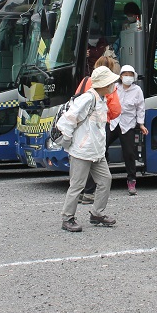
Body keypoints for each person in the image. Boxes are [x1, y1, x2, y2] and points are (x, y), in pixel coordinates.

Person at [57, 65, 120, 232]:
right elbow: (67, 120)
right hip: (83, 151)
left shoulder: (100, 98)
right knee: (77, 185)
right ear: (103, 85)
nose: (113, 86)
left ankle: (97, 213)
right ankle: (67, 218)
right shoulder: (88, 98)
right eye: (110, 83)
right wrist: (68, 141)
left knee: (105, 180)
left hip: (95, 151)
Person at [76, 56, 121, 205]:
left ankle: (81, 192)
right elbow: (115, 109)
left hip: (82, 126)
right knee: (98, 157)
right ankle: (89, 192)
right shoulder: (108, 84)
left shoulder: (85, 80)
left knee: (83, 157)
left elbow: (76, 99)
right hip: (99, 125)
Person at [108, 64, 147, 195]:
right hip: (113, 122)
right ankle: (101, 178)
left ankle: (131, 181)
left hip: (128, 124)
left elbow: (140, 108)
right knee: (101, 147)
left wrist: (141, 124)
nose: (128, 77)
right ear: (120, 76)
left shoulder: (137, 90)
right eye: (125, 75)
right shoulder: (114, 87)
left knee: (129, 153)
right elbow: (107, 102)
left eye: (130, 75)